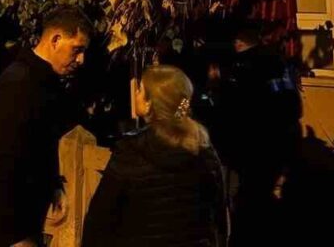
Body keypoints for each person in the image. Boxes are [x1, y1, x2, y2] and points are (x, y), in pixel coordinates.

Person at [0, 6, 92, 247]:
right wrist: (15, 237)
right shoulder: (18, 82)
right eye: (76, 49)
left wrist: (54, 185)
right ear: (56, 40)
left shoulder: (45, 82)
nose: (81, 60)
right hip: (3, 227)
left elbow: (40, 145)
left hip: (23, 222)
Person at [81, 65, 227, 247]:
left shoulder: (131, 150)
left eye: (140, 89)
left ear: (149, 103)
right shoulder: (203, 148)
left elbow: (101, 217)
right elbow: (219, 217)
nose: (136, 93)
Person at [206, 23, 301, 247]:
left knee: (241, 204)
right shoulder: (278, 63)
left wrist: (216, 86)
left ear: (239, 43)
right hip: (276, 143)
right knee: (264, 201)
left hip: (246, 148)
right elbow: (293, 106)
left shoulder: (241, 67)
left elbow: (228, 110)